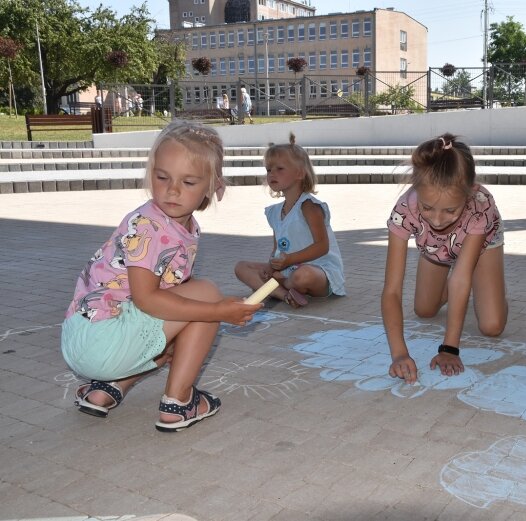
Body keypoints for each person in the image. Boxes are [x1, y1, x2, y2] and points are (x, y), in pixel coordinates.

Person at [61, 120, 262, 432]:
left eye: (189, 182)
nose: (172, 190)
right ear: (150, 172)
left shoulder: (172, 224)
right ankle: (178, 403)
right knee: (206, 294)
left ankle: (105, 390)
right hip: (102, 339)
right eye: (162, 177)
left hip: (87, 338)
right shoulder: (150, 227)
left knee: (182, 323)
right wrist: (218, 312)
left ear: (214, 186)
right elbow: (147, 298)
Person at [382, 133, 507, 385]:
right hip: (435, 249)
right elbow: (391, 291)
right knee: (425, 310)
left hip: (479, 247)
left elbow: (460, 280)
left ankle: (487, 281)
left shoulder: (479, 205)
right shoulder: (404, 210)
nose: (437, 220)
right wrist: (399, 354)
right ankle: (460, 274)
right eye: (427, 208)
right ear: (416, 191)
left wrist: (449, 348)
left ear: (469, 194)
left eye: (450, 210)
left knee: (492, 326)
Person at [235, 133, 345, 308]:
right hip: (287, 270)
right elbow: (277, 249)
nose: (272, 174)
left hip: (319, 271)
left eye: (280, 169)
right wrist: (272, 267)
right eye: (268, 169)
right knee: (241, 267)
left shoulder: (309, 206)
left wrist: (289, 260)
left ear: (300, 173)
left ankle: (274, 287)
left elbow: (322, 246)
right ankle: (285, 295)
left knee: (303, 276)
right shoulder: (274, 212)